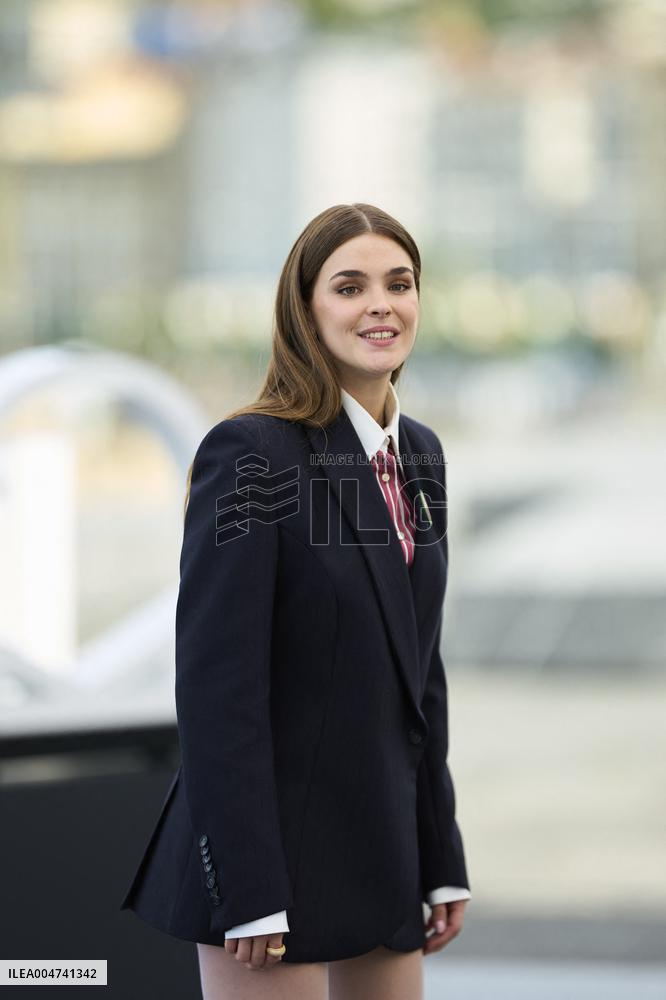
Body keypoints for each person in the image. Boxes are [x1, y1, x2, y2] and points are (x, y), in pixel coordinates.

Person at [120, 203, 471, 1000]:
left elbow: (420, 677)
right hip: (268, 859)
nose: (381, 304)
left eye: (399, 283)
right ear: (305, 312)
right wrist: (248, 887)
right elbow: (219, 688)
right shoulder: (251, 453)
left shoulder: (420, 453)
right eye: (350, 286)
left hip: (380, 851)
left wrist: (439, 854)